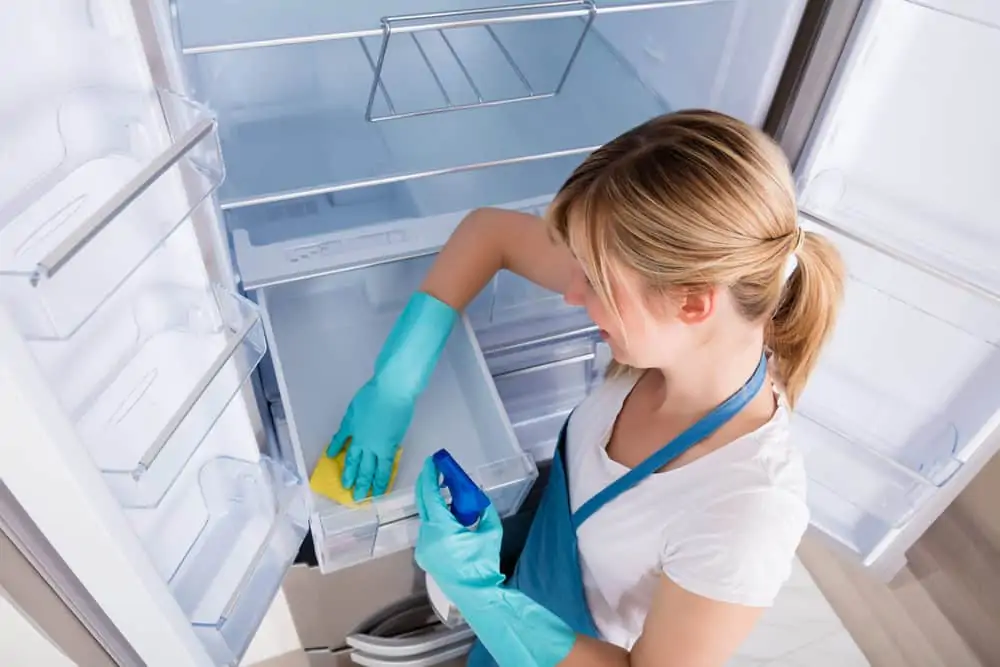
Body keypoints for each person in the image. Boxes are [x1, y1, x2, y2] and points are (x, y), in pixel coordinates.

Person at [328, 110, 846, 666]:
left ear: (693, 303)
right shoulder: (674, 334)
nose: (572, 294)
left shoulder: (748, 511)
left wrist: (483, 596)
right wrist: (395, 382)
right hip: (528, 600)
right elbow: (491, 233)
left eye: (595, 281)